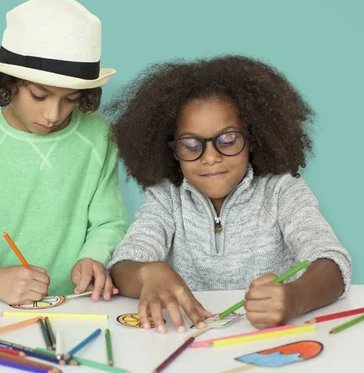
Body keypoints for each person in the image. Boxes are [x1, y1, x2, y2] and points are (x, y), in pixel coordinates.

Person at [106, 55, 352, 333]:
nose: (210, 158)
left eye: (228, 140)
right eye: (190, 144)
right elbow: (122, 266)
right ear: (172, 150)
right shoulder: (166, 197)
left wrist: (293, 298)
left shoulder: (282, 190)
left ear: (254, 139)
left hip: (268, 342)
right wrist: (147, 272)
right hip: (190, 341)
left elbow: (332, 261)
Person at [0, 0, 129, 305]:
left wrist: (94, 257)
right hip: (8, 307)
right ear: (8, 82)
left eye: (69, 99)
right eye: (40, 95)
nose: (53, 114)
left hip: (85, 304)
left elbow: (110, 221)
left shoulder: (97, 135)